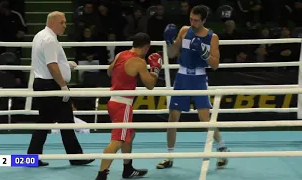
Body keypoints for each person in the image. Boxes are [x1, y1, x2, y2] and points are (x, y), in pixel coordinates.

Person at [156, 5, 229, 169]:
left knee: (204, 119)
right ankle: (170, 156)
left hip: (199, 77)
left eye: (196, 20)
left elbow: (216, 64)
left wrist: (204, 52)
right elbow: (172, 54)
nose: (193, 22)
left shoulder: (212, 37)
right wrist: (169, 42)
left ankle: (222, 148)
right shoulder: (184, 30)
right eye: (191, 19)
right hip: (182, 77)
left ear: (204, 20)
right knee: (173, 118)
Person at [27, 11, 95, 166]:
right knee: (66, 121)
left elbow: (48, 60)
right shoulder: (50, 39)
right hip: (52, 84)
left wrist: (65, 64)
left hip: (41, 83)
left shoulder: (40, 35)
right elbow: (51, 65)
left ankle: (31, 158)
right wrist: (63, 86)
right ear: (52, 22)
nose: (65, 25)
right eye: (62, 22)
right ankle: (76, 157)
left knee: (44, 121)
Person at [95, 32, 163, 180]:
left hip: (114, 101)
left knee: (130, 135)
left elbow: (109, 71)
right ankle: (101, 175)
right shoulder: (138, 62)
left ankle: (128, 169)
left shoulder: (121, 54)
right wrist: (156, 69)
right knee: (117, 141)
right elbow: (150, 85)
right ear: (146, 47)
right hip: (123, 105)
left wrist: (123, 77)